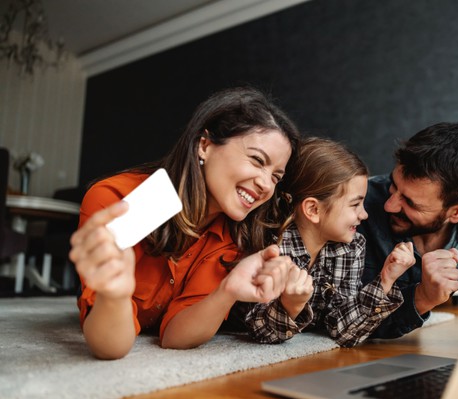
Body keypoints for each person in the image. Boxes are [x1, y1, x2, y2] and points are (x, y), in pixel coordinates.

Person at [69, 86, 303, 359]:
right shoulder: (118, 201)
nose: (265, 184)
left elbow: (175, 337)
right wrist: (115, 295)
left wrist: (227, 291)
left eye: (276, 176)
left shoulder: (234, 236)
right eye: (256, 160)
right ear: (204, 145)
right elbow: (111, 348)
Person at [242, 138, 416, 347]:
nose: (364, 214)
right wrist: (290, 305)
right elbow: (260, 332)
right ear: (313, 210)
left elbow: (344, 331)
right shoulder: (271, 247)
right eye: (355, 204)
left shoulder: (352, 246)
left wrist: (386, 280)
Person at [358, 122, 458, 339]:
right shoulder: (359, 208)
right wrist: (423, 297)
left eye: (410, 202)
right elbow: (351, 322)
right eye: (393, 184)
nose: (390, 205)